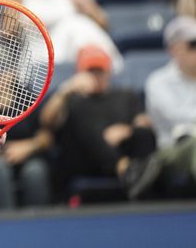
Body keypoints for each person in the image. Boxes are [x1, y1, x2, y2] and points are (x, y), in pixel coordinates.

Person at [40, 44, 156, 196]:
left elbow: (143, 121)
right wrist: (66, 90)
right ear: (80, 73)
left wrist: (127, 131)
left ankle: (141, 181)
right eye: (90, 71)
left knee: (143, 134)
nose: (95, 76)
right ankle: (121, 167)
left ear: (108, 72)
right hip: (85, 159)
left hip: (122, 150)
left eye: (99, 71)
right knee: (78, 111)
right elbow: (46, 122)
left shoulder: (126, 95)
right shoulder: (71, 99)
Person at [131, 15, 196, 199]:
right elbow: (176, 117)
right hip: (171, 151)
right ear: (174, 49)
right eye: (193, 45)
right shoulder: (158, 82)